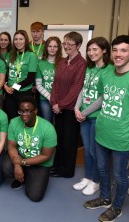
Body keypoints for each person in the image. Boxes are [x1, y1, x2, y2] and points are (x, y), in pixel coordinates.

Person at [84, 35, 129, 222]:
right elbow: (105, 99)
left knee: (120, 176)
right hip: (102, 132)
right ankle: (105, 198)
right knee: (103, 169)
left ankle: (117, 207)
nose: (118, 54)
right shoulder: (106, 74)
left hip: (122, 138)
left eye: (123, 50)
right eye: (115, 50)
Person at [73, 37, 114, 196]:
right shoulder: (89, 68)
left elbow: (104, 97)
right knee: (88, 150)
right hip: (84, 115)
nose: (91, 53)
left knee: (97, 152)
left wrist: (84, 112)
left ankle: (96, 181)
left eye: (95, 49)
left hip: (96, 116)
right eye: (89, 50)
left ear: (104, 50)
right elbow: (84, 90)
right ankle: (88, 177)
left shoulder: (109, 70)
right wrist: (77, 107)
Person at [2, 96, 57, 202]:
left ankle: (31, 175)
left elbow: (46, 156)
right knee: (6, 167)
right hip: (21, 156)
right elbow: (11, 145)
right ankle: (23, 174)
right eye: (21, 111)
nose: (24, 114)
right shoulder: (14, 122)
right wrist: (17, 165)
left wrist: (23, 162)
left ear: (35, 111)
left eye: (27, 111)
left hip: (40, 162)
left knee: (34, 196)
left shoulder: (48, 128)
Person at [50, 31, 86, 178]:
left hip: (70, 109)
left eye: (70, 44)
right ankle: (57, 166)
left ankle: (66, 171)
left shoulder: (81, 64)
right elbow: (56, 84)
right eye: (65, 43)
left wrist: (61, 105)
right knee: (59, 139)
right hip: (58, 108)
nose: (66, 47)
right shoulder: (63, 62)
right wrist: (54, 102)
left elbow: (76, 89)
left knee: (69, 141)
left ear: (78, 45)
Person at [4, 30, 37, 121]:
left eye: (21, 39)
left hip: (24, 93)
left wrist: (14, 87)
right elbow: (7, 72)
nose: (18, 42)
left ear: (25, 40)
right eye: (16, 39)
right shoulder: (11, 54)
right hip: (10, 93)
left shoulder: (31, 56)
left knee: (24, 119)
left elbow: (30, 78)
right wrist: (5, 85)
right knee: (11, 118)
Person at [35, 36, 63, 123]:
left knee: (59, 125)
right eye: (50, 46)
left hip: (61, 100)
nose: (52, 48)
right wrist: (51, 98)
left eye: (55, 46)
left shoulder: (64, 63)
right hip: (45, 99)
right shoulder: (40, 64)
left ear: (58, 48)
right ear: (46, 47)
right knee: (47, 124)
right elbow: (38, 85)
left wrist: (56, 100)